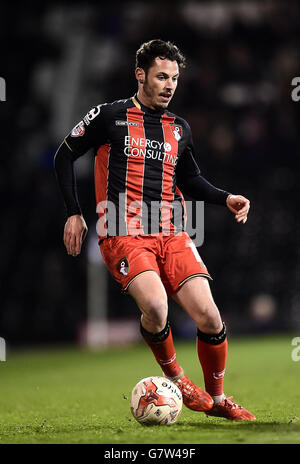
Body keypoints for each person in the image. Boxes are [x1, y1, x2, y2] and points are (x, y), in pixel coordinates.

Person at [54, 39, 255, 421]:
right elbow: (64, 154)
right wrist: (73, 213)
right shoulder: (109, 116)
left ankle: (217, 399)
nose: (169, 85)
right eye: (162, 77)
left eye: (175, 78)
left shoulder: (178, 128)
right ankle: (176, 378)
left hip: (172, 232)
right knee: (157, 306)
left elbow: (191, 178)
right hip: (123, 231)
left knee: (211, 318)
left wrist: (225, 197)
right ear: (140, 75)